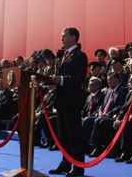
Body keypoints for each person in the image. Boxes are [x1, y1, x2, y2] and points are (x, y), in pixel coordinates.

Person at [49, 27, 88, 177]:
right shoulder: (64, 55)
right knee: (63, 135)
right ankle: (65, 163)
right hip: (61, 101)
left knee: (74, 135)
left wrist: (62, 79)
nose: (61, 39)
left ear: (73, 37)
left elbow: (79, 78)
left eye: (64, 36)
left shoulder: (80, 55)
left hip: (72, 102)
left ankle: (78, 167)